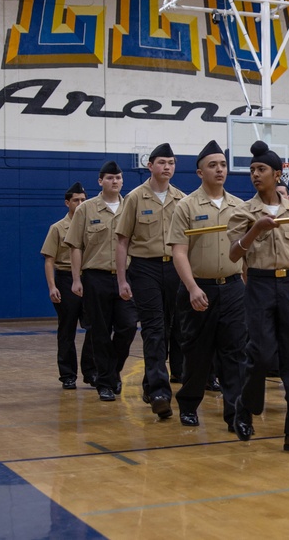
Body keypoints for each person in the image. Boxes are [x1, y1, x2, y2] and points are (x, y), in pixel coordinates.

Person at [228, 140, 289, 454]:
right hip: (259, 284)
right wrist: (255, 229)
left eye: (262, 169)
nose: (255, 174)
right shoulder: (243, 211)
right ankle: (246, 405)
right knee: (262, 354)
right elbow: (233, 254)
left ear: (278, 174)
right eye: (252, 169)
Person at [167, 141, 247, 429]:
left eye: (223, 164)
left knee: (234, 353)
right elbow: (178, 251)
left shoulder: (240, 206)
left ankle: (235, 413)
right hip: (199, 289)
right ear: (200, 172)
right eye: (212, 165)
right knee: (197, 353)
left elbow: (246, 251)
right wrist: (191, 288)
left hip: (233, 288)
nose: (219, 169)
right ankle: (188, 405)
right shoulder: (186, 206)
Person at [115, 143, 186, 420]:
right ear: (150, 166)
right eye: (162, 162)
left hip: (175, 269)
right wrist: (122, 280)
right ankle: (159, 392)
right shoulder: (134, 198)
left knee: (173, 330)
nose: (166, 167)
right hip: (144, 269)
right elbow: (122, 242)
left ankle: (149, 383)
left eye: (171, 162)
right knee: (154, 329)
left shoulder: (182, 199)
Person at [66, 161, 138, 402]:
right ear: (100, 181)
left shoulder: (132, 205)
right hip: (95, 278)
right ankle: (105, 383)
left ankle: (111, 371)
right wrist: (76, 279)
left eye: (118, 177)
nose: (114, 181)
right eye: (109, 178)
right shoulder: (86, 209)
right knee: (99, 331)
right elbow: (76, 245)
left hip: (125, 278)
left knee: (127, 326)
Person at [41, 181, 96, 389]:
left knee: (94, 327)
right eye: (76, 200)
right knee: (67, 330)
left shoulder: (93, 224)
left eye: (83, 200)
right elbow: (49, 260)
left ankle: (91, 372)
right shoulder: (57, 228)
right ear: (67, 203)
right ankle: (68, 375)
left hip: (89, 279)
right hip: (65, 279)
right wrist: (52, 287)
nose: (81, 203)